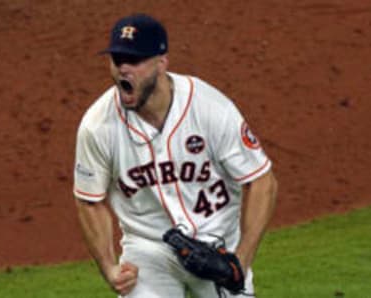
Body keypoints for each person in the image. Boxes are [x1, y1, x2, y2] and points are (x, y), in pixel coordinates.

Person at [73, 13, 278, 298]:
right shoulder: (97, 126)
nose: (123, 69)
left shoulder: (209, 108)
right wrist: (109, 267)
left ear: (161, 63)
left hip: (216, 247)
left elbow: (261, 180)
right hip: (149, 251)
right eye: (117, 60)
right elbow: (88, 200)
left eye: (135, 61)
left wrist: (239, 262)